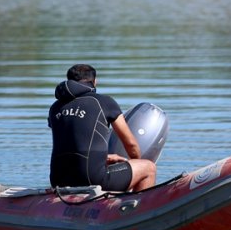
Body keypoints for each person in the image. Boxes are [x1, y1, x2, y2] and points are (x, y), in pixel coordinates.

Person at [48, 64, 156, 192]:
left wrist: (104, 159)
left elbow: (71, 144)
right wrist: (135, 165)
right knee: (148, 168)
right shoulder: (104, 102)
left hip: (58, 180)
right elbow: (131, 145)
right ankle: (136, 208)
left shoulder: (54, 108)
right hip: (92, 179)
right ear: (95, 81)